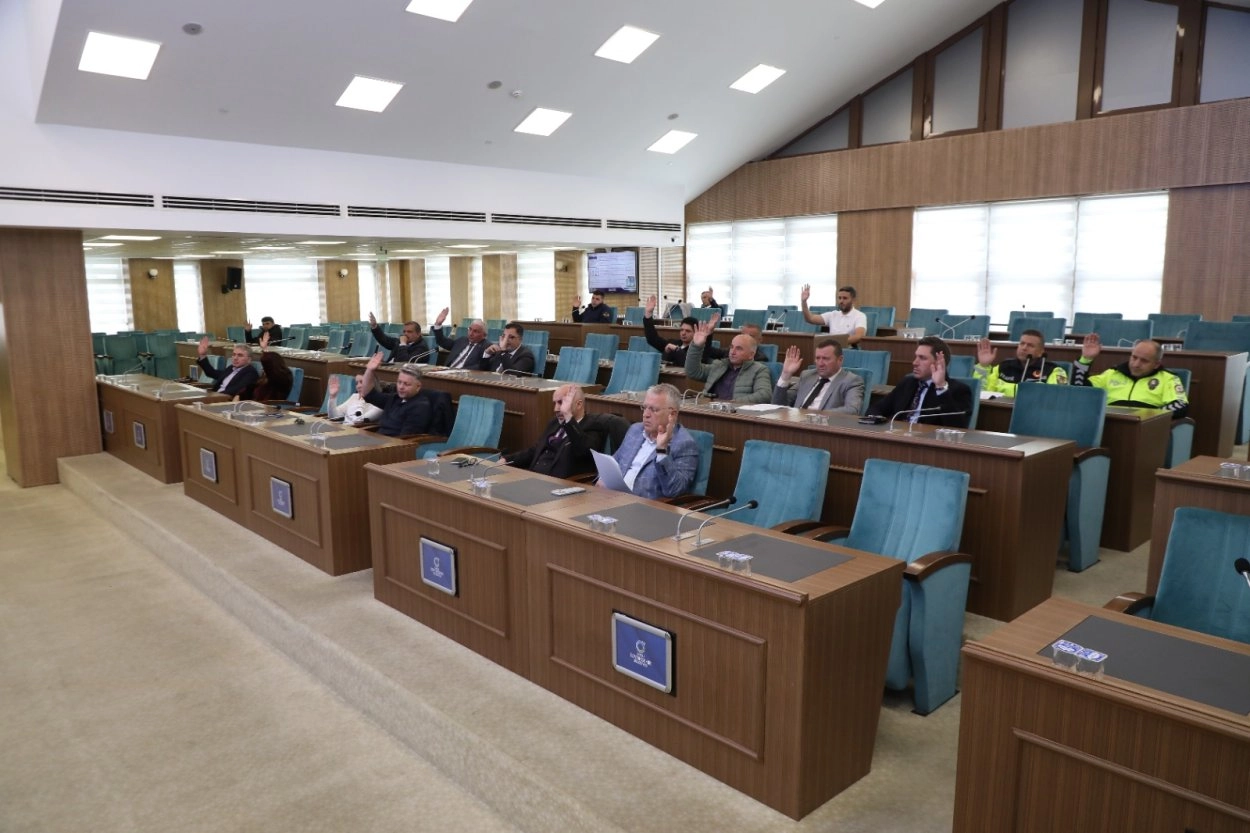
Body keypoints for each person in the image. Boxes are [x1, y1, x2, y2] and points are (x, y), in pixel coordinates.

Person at [611, 383, 699, 500]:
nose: (646, 414)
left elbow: (674, 490)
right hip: (613, 497)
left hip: (643, 506)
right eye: (644, 408)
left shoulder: (685, 444)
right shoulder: (635, 430)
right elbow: (615, 461)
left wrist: (662, 450)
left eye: (654, 410)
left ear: (672, 414)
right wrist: (602, 478)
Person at [1071, 334, 1188, 418]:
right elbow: (1079, 390)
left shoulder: (1168, 378)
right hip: (1109, 423)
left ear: (1156, 364)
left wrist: (1150, 416)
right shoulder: (1112, 373)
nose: (1136, 364)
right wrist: (1086, 359)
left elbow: (1180, 405)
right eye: (1134, 357)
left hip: (1145, 428)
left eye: (1144, 361)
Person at [866, 335, 972, 427]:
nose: (915, 363)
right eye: (916, 357)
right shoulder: (907, 383)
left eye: (922, 358)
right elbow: (876, 408)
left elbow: (958, 427)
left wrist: (940, 387)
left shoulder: (958, 390)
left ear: (938, 362)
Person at [505, 384, 609, 478]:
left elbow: (583, 451)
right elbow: (536, 450)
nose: (556, 409)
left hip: (559, 485)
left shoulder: (593, 426)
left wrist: (568, 416)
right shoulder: (554, 423)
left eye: (561, 402)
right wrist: (507, 460)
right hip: (534, 477)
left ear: (578, 404)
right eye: (555, 403)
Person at [683, 315, 772, 403]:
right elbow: (692, 371)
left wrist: (733, 403)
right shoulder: (719, 365)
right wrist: (696, 346)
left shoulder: (759, 370)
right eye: (732, 347)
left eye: (739, 349)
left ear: (751, 355)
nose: (732, 352)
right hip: (709, 407)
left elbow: (764, 395)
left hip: (735, 410)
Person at [771, 339, 864, 414]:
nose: (820, 363)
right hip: (795, 424)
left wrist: (816, 415)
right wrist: (785, 375)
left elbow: (852, 410)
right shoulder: (807, 376)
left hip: (822, 427)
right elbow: (778, 405)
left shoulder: (851, 381)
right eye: (817, 358)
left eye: (825, 359)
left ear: (840, 360)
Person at [360, 351, 438, 437]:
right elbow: (367, 394)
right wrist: (369, 370)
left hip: (393, 443)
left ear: (418, 386)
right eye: (399, 382)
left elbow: (405, 439)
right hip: (379, 439)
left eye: (406, 384)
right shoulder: (396, 398)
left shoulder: (420, 407)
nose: (401, 387)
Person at [973, 329, 1067, 397]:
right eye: (1022, 343)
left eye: (1030, 345)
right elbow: (982, 392)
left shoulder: (1055, 371)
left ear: (1041, 352)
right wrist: (983, 366)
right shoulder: (1002, 367)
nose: (1024, 348)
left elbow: (1058, 397)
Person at [641, 294, 725, 366]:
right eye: (682, 330)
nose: (683, 333)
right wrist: (648, 315)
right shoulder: (673, 343)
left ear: (696, 332)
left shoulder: (700, 349)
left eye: (688, 331)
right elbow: (652, 339)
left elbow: (690, 363)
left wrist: (676, 350)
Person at [800, 284, 867, 346]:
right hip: (831, 348)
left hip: (848, 349)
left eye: (845, 298)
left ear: (853, 300)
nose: (841, 301)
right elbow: (810, 318)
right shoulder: (833, 314)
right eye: (839, 298)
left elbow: (859, 336)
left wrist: (836, 343)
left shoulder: (860, 316)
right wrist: (804, 302)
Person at [249, 331, 293, 402]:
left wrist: (264, 350)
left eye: (265, 367)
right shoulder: (265, 378)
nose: (263, 369)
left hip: (270, 406)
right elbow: (250, 388)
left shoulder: (283, 377)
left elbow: (270, 368)